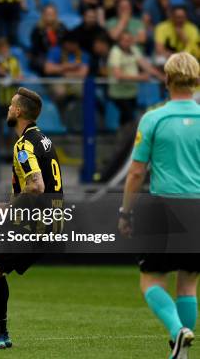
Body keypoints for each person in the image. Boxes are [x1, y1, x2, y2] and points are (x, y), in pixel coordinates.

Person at [0, 87, 63, 351]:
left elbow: (37, 185)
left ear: (18, 111)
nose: (7, 109)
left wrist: (10, 206)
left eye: (10, 106)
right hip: (48, 220)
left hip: (31, 221)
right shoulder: (44, 140)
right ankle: (1, 333)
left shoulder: (24, 145)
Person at [118, 52, 200, 359]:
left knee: (150, 280)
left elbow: (137, 171)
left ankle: (176, 330)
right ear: (196, 80)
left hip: (163, 206)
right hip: (198, 206)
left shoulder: (154, 118)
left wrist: (125, 211)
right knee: (189, 284)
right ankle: (183, 353)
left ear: (166, 79)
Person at [107, 31, 163, 126]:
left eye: (129, 40)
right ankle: (124, 139)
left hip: (132, 92)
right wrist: (140, 78)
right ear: (119, 41)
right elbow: (118, 75)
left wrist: (162, 77)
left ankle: (124, 139)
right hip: (118, 93)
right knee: (128, 118)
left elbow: (146, 66)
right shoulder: (115, 52)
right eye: (124, 40)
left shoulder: (134, 49)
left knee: (126, 119)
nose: (127, 42)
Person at [30, 5, 67, 75]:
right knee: (48, 66)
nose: (50, 16)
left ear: (56, 15)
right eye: (47, 14)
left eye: (52, 14)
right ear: (43, 15)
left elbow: (67, 44)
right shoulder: (37, 30)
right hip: (43, 58)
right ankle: (63, 70)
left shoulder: (62, 27)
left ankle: (60, 70)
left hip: (60, 57)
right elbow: (36, 50)